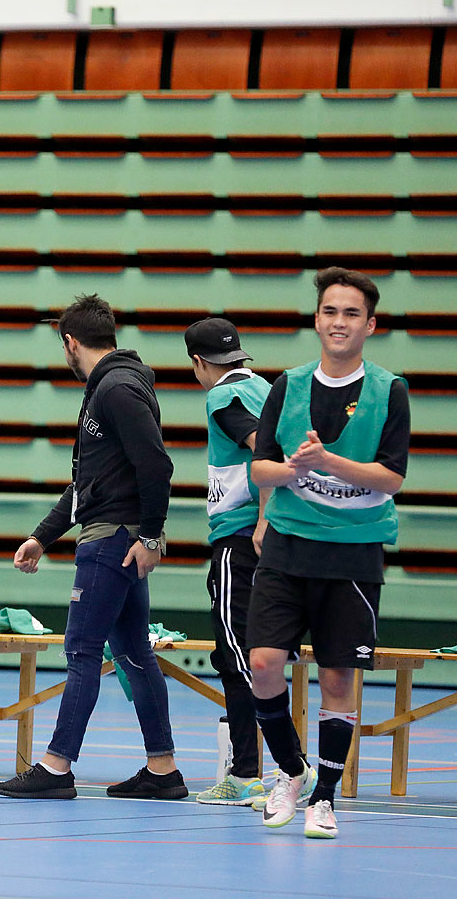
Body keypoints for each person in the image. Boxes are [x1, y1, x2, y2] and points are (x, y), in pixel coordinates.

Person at [0, 295, 181, 801]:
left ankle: (55, 768)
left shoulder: (116, 389)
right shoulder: (114, 385)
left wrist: (151, 536)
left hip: (111, 544)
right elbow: (88, 481)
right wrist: (43, 535)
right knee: (134, 654)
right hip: (114, 537)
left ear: (71, 342)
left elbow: (157, 466)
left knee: (81, 653)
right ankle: (162, 769)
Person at [247, 267, 410, 840]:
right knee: (264, 664)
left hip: (353, 555)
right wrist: (292, 468)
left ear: (370, 324)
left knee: (339, 679)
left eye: (350, 313)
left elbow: (391, 478)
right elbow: (258, 466)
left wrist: (329, 463)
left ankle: (324, 798)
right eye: (330, 311)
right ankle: (290, 770)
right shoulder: (287, 386)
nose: (338, 322)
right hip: (289, 547)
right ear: (317, 319)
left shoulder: (390, 390)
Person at [185, 316, 271, 805]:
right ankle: (254, 770)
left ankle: (254, 773)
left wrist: (261, 520)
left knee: (237, 655)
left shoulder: (223, 397)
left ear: (198, 363)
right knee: (246, 653)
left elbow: (266, 451)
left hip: (239, 539)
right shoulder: (264, 386)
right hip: (260, 539)